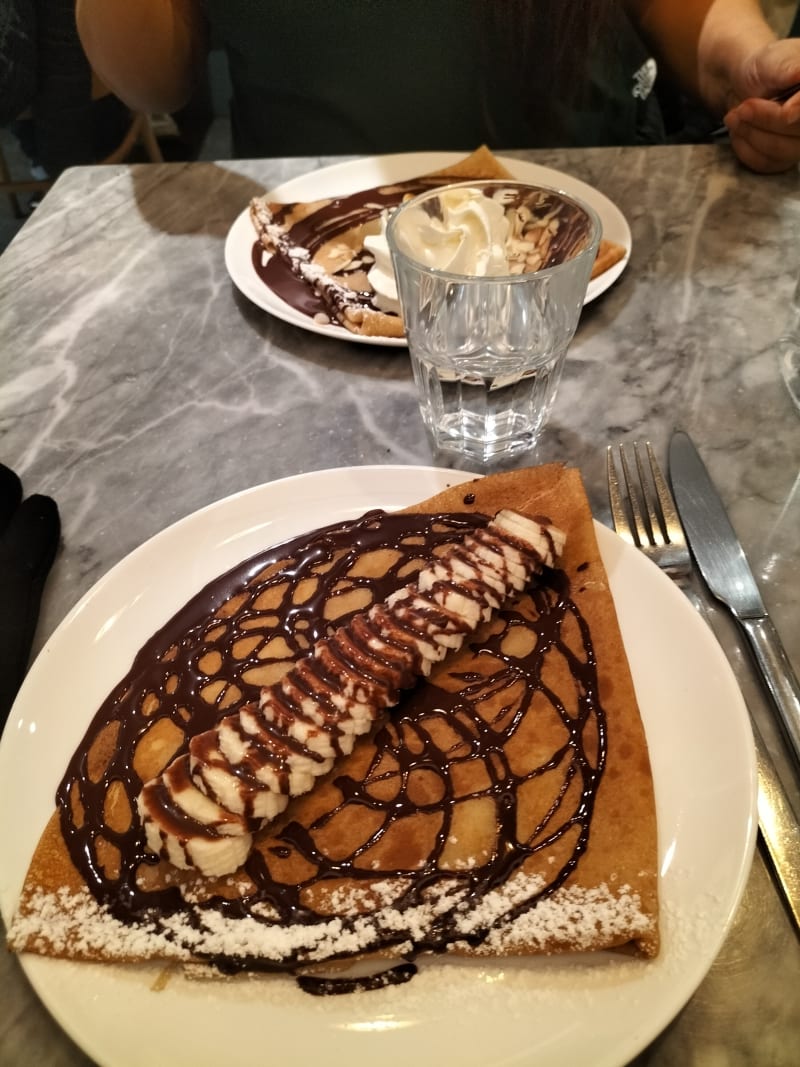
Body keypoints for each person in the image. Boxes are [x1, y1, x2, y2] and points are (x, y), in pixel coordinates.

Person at [73, 0, 800, 174]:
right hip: (314, 272)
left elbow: (691, 19)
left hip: (591, 245)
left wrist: (750, 61)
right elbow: (150, 84)